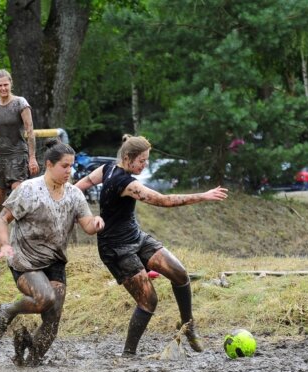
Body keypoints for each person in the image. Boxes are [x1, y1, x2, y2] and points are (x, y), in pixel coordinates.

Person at [75, 134, 228, 356]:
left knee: (179, 273)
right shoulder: (125, 182)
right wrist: (203, 196)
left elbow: (86, 182)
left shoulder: (108, 168)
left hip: (136, 237)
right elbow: (164, 201)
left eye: (147, 160)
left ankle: (188, 326)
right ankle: (128, 353)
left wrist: (71, 193)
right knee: (148, 300)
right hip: (115, 249)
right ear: (127, 158)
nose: (145, 165)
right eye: (142, 161)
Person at [0, 139, 104, 366]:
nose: (69, 171)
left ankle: (31, 358)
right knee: (45, 298)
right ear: (49, 165)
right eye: (64, 166)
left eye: (71, 166)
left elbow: (88, 227)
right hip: (26, 259)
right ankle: (9, 309)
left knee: (52, 319)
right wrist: (4, 245)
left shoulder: (74, 194)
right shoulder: (28, 190)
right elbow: (2, 219)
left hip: (55, 261)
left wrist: (98, 222)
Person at [0, 69, 39, 261]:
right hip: (0, 157)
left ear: (10, 84)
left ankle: (25, 244)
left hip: (18, 155)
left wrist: (32, 157)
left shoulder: (21, 103)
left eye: (6, 84)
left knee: (19, 199)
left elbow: (30, 131)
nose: (3, 88)